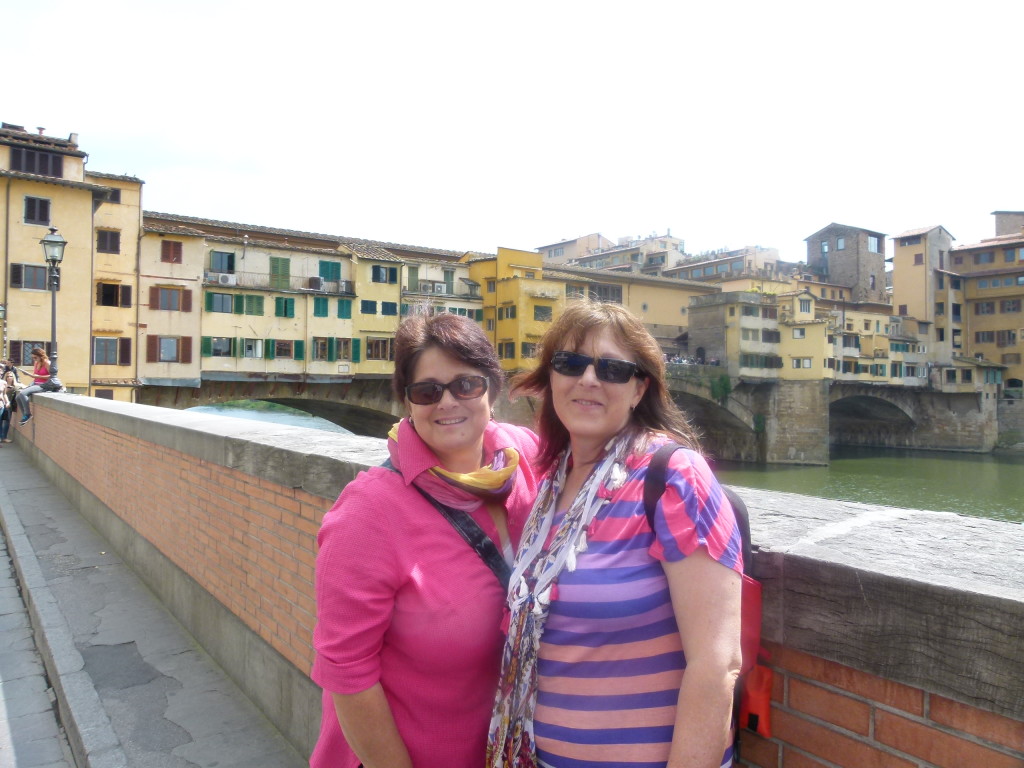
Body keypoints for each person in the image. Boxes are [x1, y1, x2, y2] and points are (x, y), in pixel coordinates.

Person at [488, 301, 743, 768]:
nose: (588, 379)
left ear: (639, 388)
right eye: (570, 363)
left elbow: (717, 665)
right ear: (551, 379)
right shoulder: (550, 487)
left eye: (612, 368)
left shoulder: (673, 478)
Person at [311, 312, 543, 768]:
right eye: (427, 391)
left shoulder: (523, 459)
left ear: (492, 390)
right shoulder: (368, 513)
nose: (448, 402)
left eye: (466, 385)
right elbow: (348, 676)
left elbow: (610, 460)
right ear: (408, 402)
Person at [15, 347, 52, 426]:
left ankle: (27, 414)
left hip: (43, 385)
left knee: (22, 394)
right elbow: (35, 375)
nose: (34, 359)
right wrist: (30, 375)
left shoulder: (47, 363)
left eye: (35, 357)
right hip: (35, 382)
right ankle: (25, 414)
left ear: (41, 356)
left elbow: (52, 377)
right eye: (32, 358)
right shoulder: (36, 363)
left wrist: (38, 376)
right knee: (17, 397)